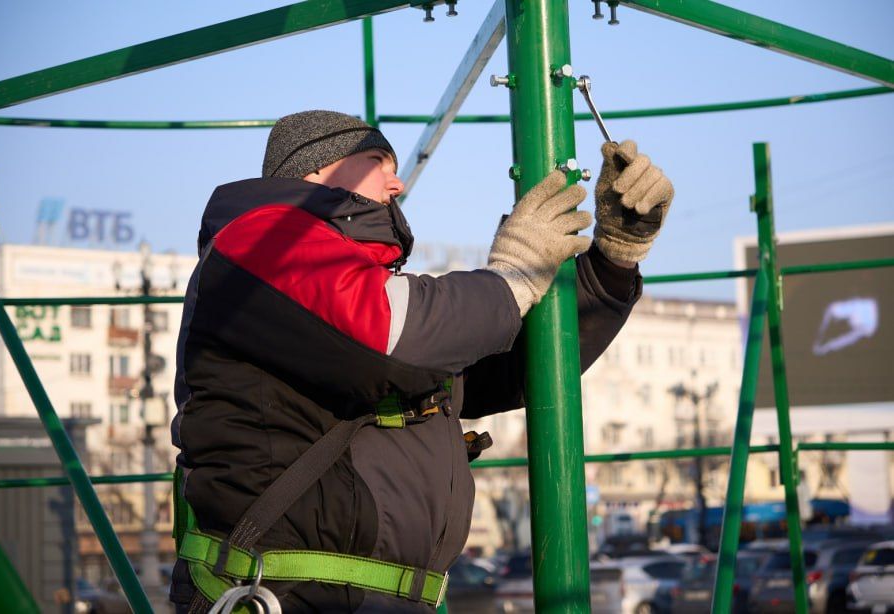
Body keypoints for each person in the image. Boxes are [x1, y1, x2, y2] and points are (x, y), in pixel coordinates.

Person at [169, 110, 673, 613]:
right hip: (286, 593)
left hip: (361, 596)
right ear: (313, 171)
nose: (398, 180)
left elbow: (507, 364)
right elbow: (389, 337)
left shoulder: (356, 289)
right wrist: (513, 274)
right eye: (375, 160)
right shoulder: (261, 238)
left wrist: (612, 262)